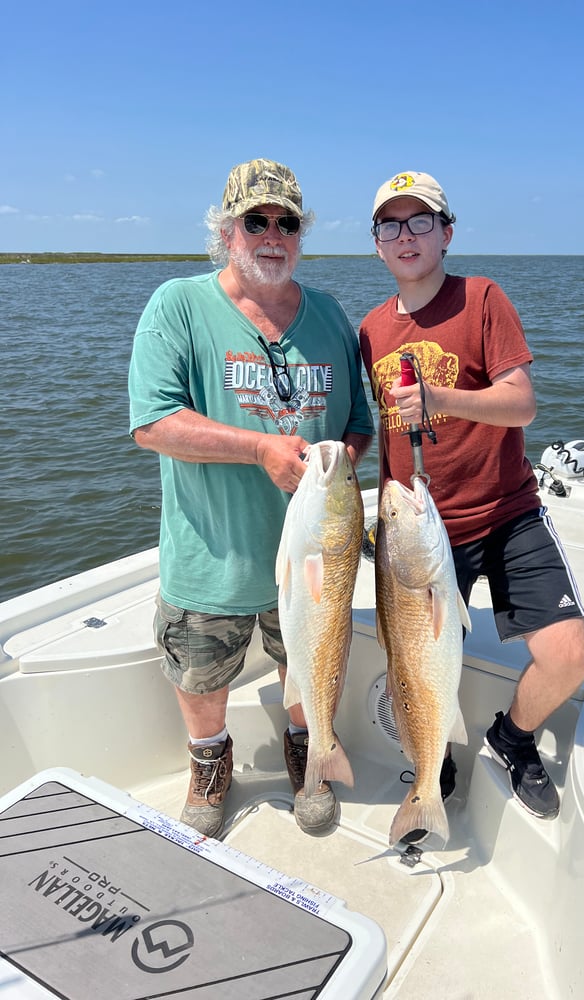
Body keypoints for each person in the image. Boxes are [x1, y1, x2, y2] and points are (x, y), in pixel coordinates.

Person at [128, 158, 373, 839]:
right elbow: (152, 422)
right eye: (254, 220)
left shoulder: (329, 315)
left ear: (301, 233)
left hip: (316, 556)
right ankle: (210, 764)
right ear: (226, 231)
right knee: (201, 675)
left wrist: (337, 466)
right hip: (214, 552)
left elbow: (359, 426)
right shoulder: (177, 304)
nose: (272, 233)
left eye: (286, 222)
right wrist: (260, 449)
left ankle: (310, 752)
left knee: (311, 662)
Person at [359, 171, 584, 840]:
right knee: (412, 669)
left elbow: (521, 402)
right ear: (377, 244)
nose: (405, 236)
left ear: (446, 232)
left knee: (569, 654)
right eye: (391, 225)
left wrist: (443, 400)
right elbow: (368, 431)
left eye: (420, 221)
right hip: (413, 534)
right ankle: (431, 769)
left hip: (506, 512)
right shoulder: (370, 330)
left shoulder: (483, 299)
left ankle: (512, 738)